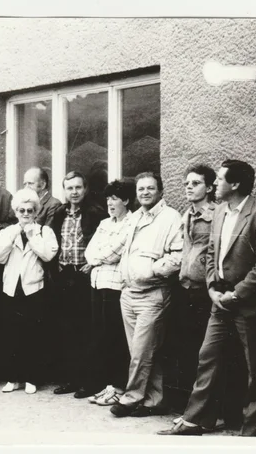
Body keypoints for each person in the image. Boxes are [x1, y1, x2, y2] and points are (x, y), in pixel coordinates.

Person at [158, 160, 256, 437]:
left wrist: (238, 293)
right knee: (207, 357)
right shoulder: (220, 211)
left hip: (247, 303)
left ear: (235, 184)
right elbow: (211, 254)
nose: (216, 184)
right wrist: (212, 288)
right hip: (219, 300)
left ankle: (254, 429)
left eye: (220, 179)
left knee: (255, 367)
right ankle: (196, 420)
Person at [101, 172, 183, 418]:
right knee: (147, 351)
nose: (145, 192)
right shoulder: (135, 217)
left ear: (160, 191)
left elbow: (178, 256)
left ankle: (130, 398)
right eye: (141, 189)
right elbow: (120, 250)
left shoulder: (171, 218)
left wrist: (151, 270)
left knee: (140, 352)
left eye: (150, 188)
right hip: (129, 294)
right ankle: (154, 400)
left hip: (153, 294)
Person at [0, 188, 59, 394]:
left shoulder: (45, 232)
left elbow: (48, 255)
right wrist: (11, 238)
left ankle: (31, 378)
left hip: (34, 290)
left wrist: (31, 236)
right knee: (11, 335)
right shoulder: (8, 232)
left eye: (30, 210)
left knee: (33, 336)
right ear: (16, 212)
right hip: (11, 290)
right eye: (21, 210)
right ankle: (13, 378)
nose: (26, 214)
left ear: (36, 211)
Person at [51, 171, 105, 398]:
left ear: (85, 189)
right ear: (64, 190)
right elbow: (52, 242)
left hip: (84, 276)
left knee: (86, 330)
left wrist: (92, 265)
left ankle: (87, 381)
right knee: (66, 330)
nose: (74, 192)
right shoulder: (59, 213)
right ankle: (70, 379)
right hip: (64, 276)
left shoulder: (95, 213)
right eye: (69, 188)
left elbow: (103, 242)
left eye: (78, 188)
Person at [83, 179, 135, 406]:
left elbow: (115, 251)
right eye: (108, 199)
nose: (110, 203)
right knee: (101, 337)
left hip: (116, 286)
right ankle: (108, 387)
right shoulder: (104, 223)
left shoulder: (132, 222)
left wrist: (95, 260)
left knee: (116, 339)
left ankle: (118, 386)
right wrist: (96, 259)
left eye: (115, 198)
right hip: (97, 284)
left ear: (125, 200)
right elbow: (90, 251)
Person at [175, 165, 217, 391]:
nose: (189, 188)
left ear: (209, 187)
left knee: (205, 348)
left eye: (196, 183)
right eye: (187, 184)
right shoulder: (187, 215)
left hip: (205, 290)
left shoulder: (216, 215)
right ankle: (188, 400)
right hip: (185, 287)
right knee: (186, 345)